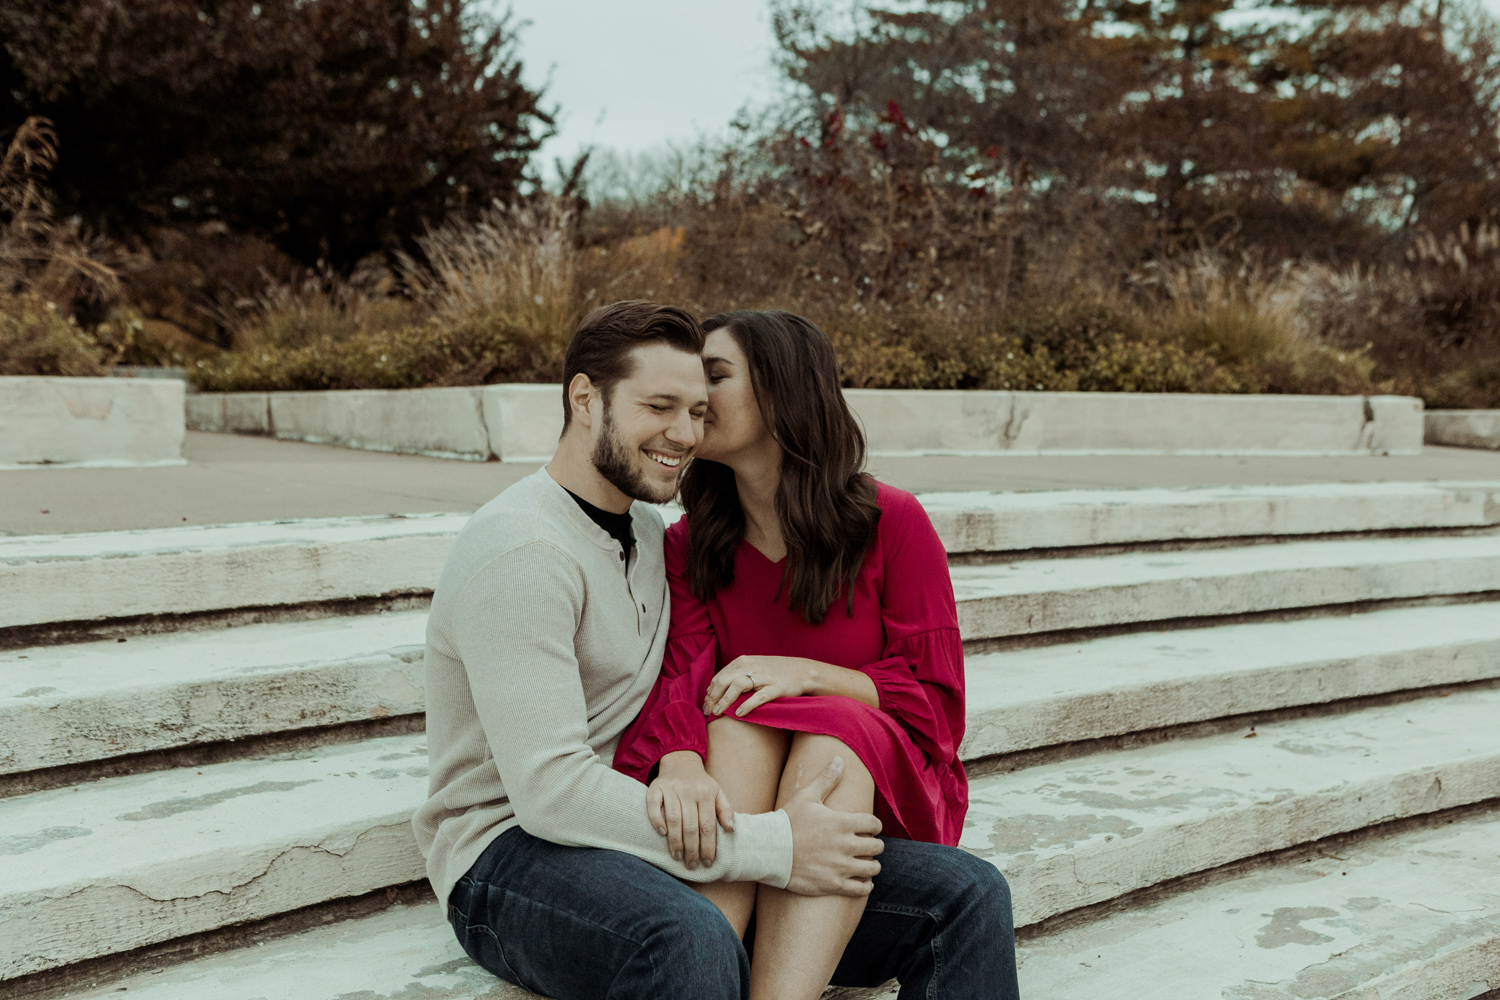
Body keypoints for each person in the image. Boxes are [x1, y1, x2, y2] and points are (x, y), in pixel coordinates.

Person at [415, 300, 1018, 1000]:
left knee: (969, 894)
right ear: (586, 399)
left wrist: (743, 799)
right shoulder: (524, 551)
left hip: (666, 824)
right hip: (517, 850)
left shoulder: (646, 528)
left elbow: (682, 674)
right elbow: (551, 792)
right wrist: (775, 843)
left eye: (699, 405)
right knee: (690, 929)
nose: (686, 430)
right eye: (662, 405)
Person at [612, 309, 1012, 1000]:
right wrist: (678, 761)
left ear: (782, 389)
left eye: (715, 376)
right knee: (735, 717)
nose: (697, 400)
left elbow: (939, 706)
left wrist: (808, 676)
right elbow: (684, 676)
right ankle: (705, 964)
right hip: (752, 802)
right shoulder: (692, 544)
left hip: (881, 789)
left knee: (831, 729)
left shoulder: (892, 521)